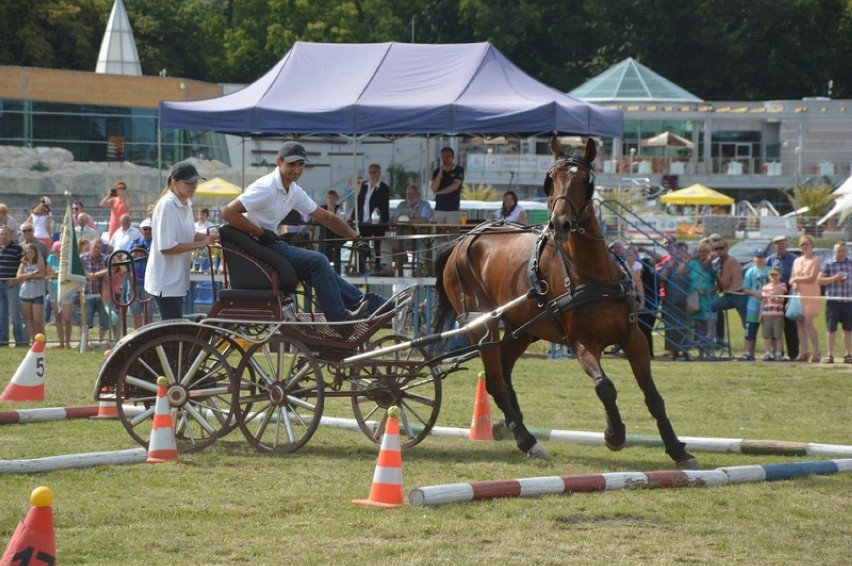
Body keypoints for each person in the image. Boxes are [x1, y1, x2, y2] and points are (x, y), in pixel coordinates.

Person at [220, 141, 385, 322]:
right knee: (319, 260)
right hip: (258, 244)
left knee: (321, 268)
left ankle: (369, 302)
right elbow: (228, 212)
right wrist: (260, 232)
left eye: (301, 165)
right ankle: (339, 318)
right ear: (279, 162)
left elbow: (326, 217)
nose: (297, 170)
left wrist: (356, 238)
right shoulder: (266, 187)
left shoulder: (293, 190)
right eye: (292, 164)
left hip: (267, 242)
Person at [144, 162, 216, 320]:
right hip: (166, 280)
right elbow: (166, 247)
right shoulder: (167, 205)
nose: (193, 186)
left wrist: (211, 236)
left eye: (195, 182)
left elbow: (188, 234)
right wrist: (200, 244)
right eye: (188, 182)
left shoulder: (186, 204)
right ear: (174, 182)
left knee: (175, 327)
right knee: (174, 330)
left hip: (176, 280)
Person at [817, 241, 852, 364]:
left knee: (848, 329)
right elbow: (819, 281)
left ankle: (848, 355)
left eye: (844, 251)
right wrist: (834, 279)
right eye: (839, 251)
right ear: (834, 251)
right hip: (833, 302)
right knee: (831, 329)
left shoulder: (850, 263)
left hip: (848, 301)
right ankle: (830, 355)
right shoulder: (828, 263)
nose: (841, 254)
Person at [789, 234, 822, 362]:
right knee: (800, 323)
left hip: (811, 295)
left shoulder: (816, 260)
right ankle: (804, 352)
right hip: (798, 295)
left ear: (812, 245)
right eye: (802, 244)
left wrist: (798, 279)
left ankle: (817, 351)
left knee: (808, 323)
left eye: (807, 243)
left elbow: (812, 278)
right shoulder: (796, 261)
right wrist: (794, 282)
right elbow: (791, 278)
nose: (805, 246)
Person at [709, 238, 747, 349]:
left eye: (721, 248)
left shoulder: (730, 261)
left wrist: (715, 271)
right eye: (716, 249)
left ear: (726, 249)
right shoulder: (719, 262)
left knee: (746, 324)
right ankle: (713, 337)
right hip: (728, 295)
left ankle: (749, 350)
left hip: (739, 295)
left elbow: (724, 283)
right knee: (711, 307)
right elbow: (722, 285)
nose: (719, 251)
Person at [351, 163, 390, 272]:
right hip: (364, 221)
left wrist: (382, 219)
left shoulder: (383, 188)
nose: (372, 174)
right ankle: (361, 266)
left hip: (378, 222)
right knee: (362, 242)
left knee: (377, 243)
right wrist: (353, 216)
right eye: (370, 172)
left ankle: (377, 265)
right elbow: (358, 202)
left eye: (374, 172)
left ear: (379, 173)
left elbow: (384, 206)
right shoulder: (364, 186)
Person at [656, 242, 691, 360]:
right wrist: (669, 266)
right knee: (671, 326)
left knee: (685, 325)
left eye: (681, 251)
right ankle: (673, 350)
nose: (678, 253)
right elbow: (661, 277)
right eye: (677, 251)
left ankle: (684, 350)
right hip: (670, 299)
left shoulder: (689, 264)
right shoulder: (668, 263)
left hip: (686, 299)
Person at [766, 235, 799, 360]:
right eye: (777, 244)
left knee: (790, 325)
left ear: (787, 244)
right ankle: (778, 352)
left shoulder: (793, 259)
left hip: (788, 294)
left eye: (782, 243)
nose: (780, 246)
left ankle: (793, 353)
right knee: (775, 324)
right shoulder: (771, 260)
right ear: (774, 246)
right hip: (774, 297)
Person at [391, 184, 433, 276]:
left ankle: (420, 270)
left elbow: (424, 220)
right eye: (408, 194)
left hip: (420, 237)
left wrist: (406, 219)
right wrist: (412, 219)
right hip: (403, 237)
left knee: (423, 245)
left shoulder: (425, 205)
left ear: (418, 194)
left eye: (412, 194)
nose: (410, 196)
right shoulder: (402, 205)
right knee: (386, 242)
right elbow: (394, 218)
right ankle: (389, 268)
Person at [686, 242, 717, 357]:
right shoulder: (693, 263)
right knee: (699, 327)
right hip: (696, 299)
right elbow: (682, 272)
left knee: (710, 325)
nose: (702, 254)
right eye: (700, 251)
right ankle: (701, 352)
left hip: (710, 298)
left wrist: (708, 291)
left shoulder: (713, 265)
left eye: (705, 251)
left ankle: (710, 351)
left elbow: (718, 283)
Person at [741, 248, 770, 361]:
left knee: (767, 330)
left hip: (767, 305)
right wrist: (755, 293)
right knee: (750, 330)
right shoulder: (750, 271)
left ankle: (768, 352)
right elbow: (745, 288)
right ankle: (747, 352)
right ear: (754, 258)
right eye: (758, 257)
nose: (760, 259)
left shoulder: (769, 271)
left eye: (762, 257)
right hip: (753, 304)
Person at [80, 239, 110, 343]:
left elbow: (108, 270)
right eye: (95, 247)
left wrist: (94, 275)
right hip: (87, 293)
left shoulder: (105, 258)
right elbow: (78, 270)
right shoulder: (82, 258)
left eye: (99, 248)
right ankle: (85, 343)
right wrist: (87, 275)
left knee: (105, 321)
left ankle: (100, 341)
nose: (97, 249)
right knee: (86, 321)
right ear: (90, 247)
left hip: (102, 295)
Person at [0, 226, 25, 347]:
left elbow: (23, 265)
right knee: (1, 314)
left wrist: (16, 279)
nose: (3, 236)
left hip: (12, 285)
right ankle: (3, 341)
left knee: (15, 314)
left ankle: (19, 341)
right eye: (1, 234)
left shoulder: (17, 248)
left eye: (5, 234)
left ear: (10, 235)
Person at [16, 242, 46, 343]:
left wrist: (27, 275)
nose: (29, 254)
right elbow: (19, 276)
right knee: (29, 319)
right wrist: (32, 273)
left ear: (35, 252)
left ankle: (41, 341)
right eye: (27, 252)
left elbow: (41, 274)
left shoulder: (39, 261)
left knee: (37, 320)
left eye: (31, 252)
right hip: (25, 293)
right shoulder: (23, 263)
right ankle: (34, 341)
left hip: (37, 293)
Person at [46, 240, 72, 348]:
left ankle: (67, 342)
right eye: (58, 251)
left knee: (67, 318)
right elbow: (48, 274)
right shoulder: (51, 259)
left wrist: (56, 274)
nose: (59, 253)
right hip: (53, 290)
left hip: (65, 290)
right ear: (54, 251)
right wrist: (59, 274)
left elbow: (69, 274)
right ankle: (61, 343)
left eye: (61, 251)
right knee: (58, 317)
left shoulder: (68, 260)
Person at [430, 146, 464, 225]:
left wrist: (439, 193)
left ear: (453, 157)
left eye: (448, 156)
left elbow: (454, 186)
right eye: (443, 157)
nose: (446, 159)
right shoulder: (437, 171)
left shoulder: (458, 170)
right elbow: (434, 189)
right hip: (439, 208)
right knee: (438, 234)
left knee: (453, 234)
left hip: (452, 209)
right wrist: (440, 173)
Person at [760, 266, 787, 361]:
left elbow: (780, 291)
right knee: (767, 335)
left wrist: (774, 291)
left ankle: (778, 353)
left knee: (778, 335)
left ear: (780, 275)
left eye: (776, 275)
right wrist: (761, 314)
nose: (774, 277)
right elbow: (763, 301)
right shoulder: (765, 287)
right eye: (772, 275)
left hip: (778, 315)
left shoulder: (782, 285)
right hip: (767, 315)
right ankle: (767, 353)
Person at [318, 190, 345, 274]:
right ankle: (324, 269)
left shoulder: (339, 208)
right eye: (329, 198)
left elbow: (341, 218)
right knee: (324, 244)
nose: (331, 200)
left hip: (336, 234)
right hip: (325, 234)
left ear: (337, 199)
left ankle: (337, 270)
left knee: (336, 245)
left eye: (333, 198)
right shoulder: (323, 208)